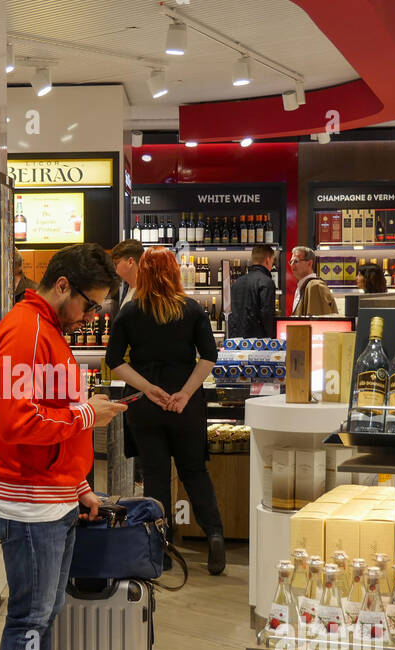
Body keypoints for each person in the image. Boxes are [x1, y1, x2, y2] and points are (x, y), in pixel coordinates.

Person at [0, 243, 128, 650]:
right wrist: (90, 415)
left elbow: (54, 414)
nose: (92, 317)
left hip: (51, 497)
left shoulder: (46, 330)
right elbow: (18, 424)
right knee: (27, 619)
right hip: (28, 503)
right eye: (90, 306)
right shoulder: (25, 333)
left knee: (43, 617)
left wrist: (79, 485)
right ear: (62, 286)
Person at [106, 246, 225, 576]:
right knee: (194, 472)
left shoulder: (130, 312)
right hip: (185, 405)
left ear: (142, 272)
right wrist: (185, 394)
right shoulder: (192, 309)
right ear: (175, 273)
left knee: (155, 475)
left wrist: (147, 388)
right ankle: (214, 535)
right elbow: (209, 357)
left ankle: (160, 548)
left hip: (146, 405)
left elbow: (114, 360)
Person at [227, 243, 277, 339]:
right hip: (258, 342)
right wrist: (271, 338)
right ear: (268, 260)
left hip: (238, 340)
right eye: (272, 260)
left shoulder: (238, 282)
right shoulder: (266, 282)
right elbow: (267, 313)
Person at [289, 245, 338, 317]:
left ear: (309, 263)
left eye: (296, 261)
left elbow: (318, 323)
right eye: (291, 261)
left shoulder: (315, 286)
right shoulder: (303, 287)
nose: (292, 265)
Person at [106, 239, 142, 318]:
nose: (115, 269)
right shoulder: (127, 288)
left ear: (130, 262)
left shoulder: (145, 293)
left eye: (117, 263)